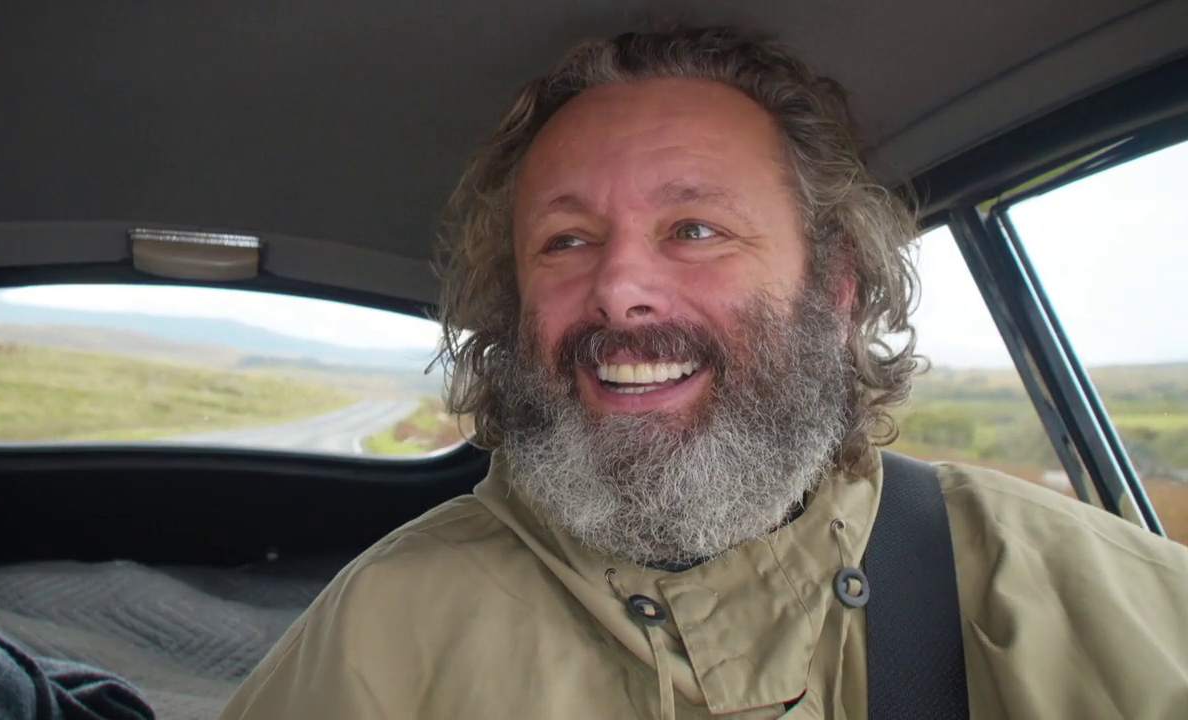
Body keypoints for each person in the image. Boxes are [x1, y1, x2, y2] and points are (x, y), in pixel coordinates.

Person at [220, 24, 1188, 719]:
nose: (618, 291)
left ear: (835, 286)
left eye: (693, 229)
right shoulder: (385, 627)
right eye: (565, 240)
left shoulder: (1070, 593)